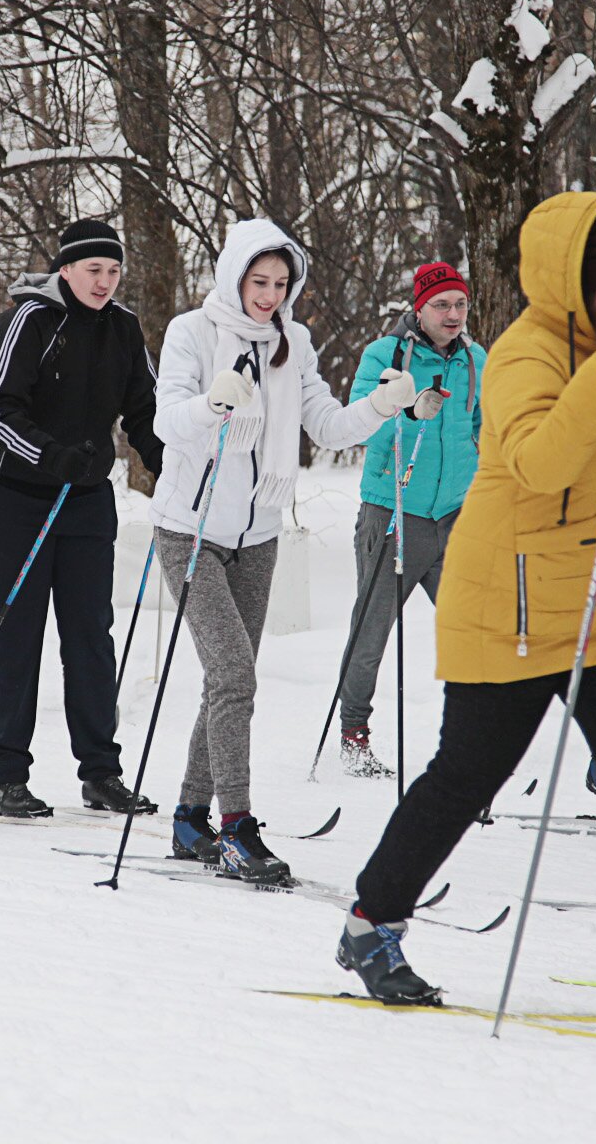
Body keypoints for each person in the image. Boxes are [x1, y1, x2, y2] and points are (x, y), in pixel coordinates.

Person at [335, 192, 596, 1026]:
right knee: (467, 775)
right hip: (516, 610)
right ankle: (370, 923)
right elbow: (538, 462)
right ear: (579, 284)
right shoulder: (528, 355)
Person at [153, 218, 413, 882]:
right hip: (189, 530)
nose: (269, 295)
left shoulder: (291, 343)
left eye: (280, 283)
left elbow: (326, 424)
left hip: (259, 535)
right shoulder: (194, 332)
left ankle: (189, 818)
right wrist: (214, 404)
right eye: (258, 281)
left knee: (224, 681)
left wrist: (381, 406)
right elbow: (167, 423)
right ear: (234, 275)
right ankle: (237, 830)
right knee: (236, 676)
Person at [0, 219, 164, 818]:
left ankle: (101, 773)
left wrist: (165, 467)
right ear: (66, 270)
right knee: (17, 637)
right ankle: (7, 777)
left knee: (90, 638)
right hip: (15, 497)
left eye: (113, 270)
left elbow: (144, 410)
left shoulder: (123, 328)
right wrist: (49, 454)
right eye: (92, 270)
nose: (104, 281)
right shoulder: (30, 319)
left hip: (85, 501)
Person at [332, 261, 482, 777]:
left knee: (474, 633)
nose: (453, 314)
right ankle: (354, 734)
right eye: (442, 304)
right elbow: (357, 428)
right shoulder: (386, 356)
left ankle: (471, 744)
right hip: (394, 512)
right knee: (371, 631)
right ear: (418, 309)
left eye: (460, 303)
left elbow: (485, 430)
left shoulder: (476, 360)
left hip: (457, 517)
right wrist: (407, 411)